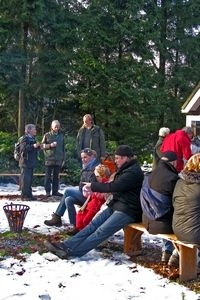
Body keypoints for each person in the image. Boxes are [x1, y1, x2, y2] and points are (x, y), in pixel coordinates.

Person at [44, 145, 144, 259]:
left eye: (117, 158)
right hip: (117, 205)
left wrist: (93, 186)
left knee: (101, 232)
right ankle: (65, 245)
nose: (115, 161)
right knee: (92, 226)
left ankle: (72, 252)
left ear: (126, 158)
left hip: (127, 210)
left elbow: (115, 186)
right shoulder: (126, 169)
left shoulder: (133, 172)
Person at [140, 151, 179, 264]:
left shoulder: (149, 175)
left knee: (161, 210)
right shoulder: (172, 178)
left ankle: (167, 251)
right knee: (178, 215)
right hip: (162, 225)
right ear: (174, 162)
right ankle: (176, 254)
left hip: (146, 220)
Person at [44, 148, 99, 227]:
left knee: (67, 191)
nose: (83, 159)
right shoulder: (86, 167)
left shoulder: (95, 168)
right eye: (82, 158)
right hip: (83, 193)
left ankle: (57, 216)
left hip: (90, 197)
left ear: (91, 157)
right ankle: (75, 225)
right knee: (68, 199)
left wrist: (84, 187)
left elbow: (93, 185)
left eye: (85, 157)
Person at [170, 153, 200, 266]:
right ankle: (195, 263)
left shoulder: (179, 182)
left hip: (177, 228)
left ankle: (176, 254)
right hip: (193, 234)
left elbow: (174, 203)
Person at [66, 164, 110, 235]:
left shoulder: (106, 184)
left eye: (98, 176)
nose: (96, 178)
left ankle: (85, 233)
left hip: (96, 207)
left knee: (86, 220)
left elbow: (103, 196)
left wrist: (94, 190)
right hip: (91, 204)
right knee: (80, 215)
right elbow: (91, 195)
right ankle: (80, 230)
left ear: (103, 176)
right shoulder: (98, 182)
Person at [41, 120, 65, 197]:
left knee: (56, 177)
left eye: (58, 126)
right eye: (55, 126)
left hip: (58, 159)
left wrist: (63, 159)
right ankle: (47, 192)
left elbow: (63, 148)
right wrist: (50, 145)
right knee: (47, 177)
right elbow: (41, 146)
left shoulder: (61, 136)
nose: (57, 127)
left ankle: (55, 191)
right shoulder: (47, 135)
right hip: (49, 159)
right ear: (52, 127)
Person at [19, 124, 40, 201]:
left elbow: (33, 149)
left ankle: (29, 195)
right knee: (25, 180)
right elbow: (23, 149)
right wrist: (33, 146)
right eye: (34, 129)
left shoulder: (33, 138)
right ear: (29, 130)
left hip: (31, 163)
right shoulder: (24, 138)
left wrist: (38, 146)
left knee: (29, 180)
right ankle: (24, 196)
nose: (35, 130)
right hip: (25, 163)